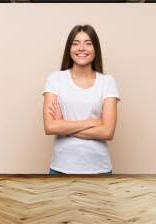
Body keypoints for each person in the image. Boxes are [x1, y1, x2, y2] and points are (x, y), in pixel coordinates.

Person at [42, 24, 120, 175]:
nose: (81, 48)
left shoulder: (107, 82)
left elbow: (107, 132)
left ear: (95, 49)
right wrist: (93, 122)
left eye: (88, 43)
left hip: (99, 170)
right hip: (60, 168)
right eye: (76, 43)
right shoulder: (55, 79)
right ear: (69, 49)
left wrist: (63, 125)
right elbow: (50, 127)